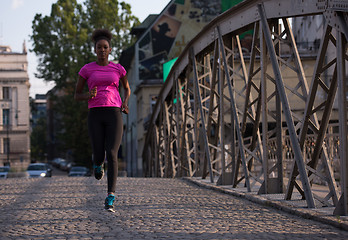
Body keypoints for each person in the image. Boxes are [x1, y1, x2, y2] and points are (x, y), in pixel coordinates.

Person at [74, 29, 130, 212]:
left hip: (114, 113)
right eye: (99, 47)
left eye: (105, 47)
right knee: (99, 153)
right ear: (95, 50)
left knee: (112, 153)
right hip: (95, 114)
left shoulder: (118, 69)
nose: (102, 50)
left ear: (110, 49)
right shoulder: (87, 69)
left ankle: (110, 196)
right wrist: (87, 95)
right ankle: (97, 164)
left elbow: (127, 89)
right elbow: (76, 95)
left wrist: (125, 103)